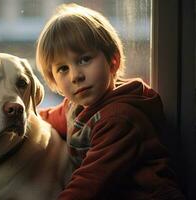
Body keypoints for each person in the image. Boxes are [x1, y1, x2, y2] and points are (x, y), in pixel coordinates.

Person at [36, 3, 185, 200]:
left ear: (113, 61)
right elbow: (44, 119)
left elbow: (89, 183)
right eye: (63, 68)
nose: (75, 76)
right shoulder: (75, 106)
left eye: (84, 59)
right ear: (53, 80)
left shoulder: (119, 119)